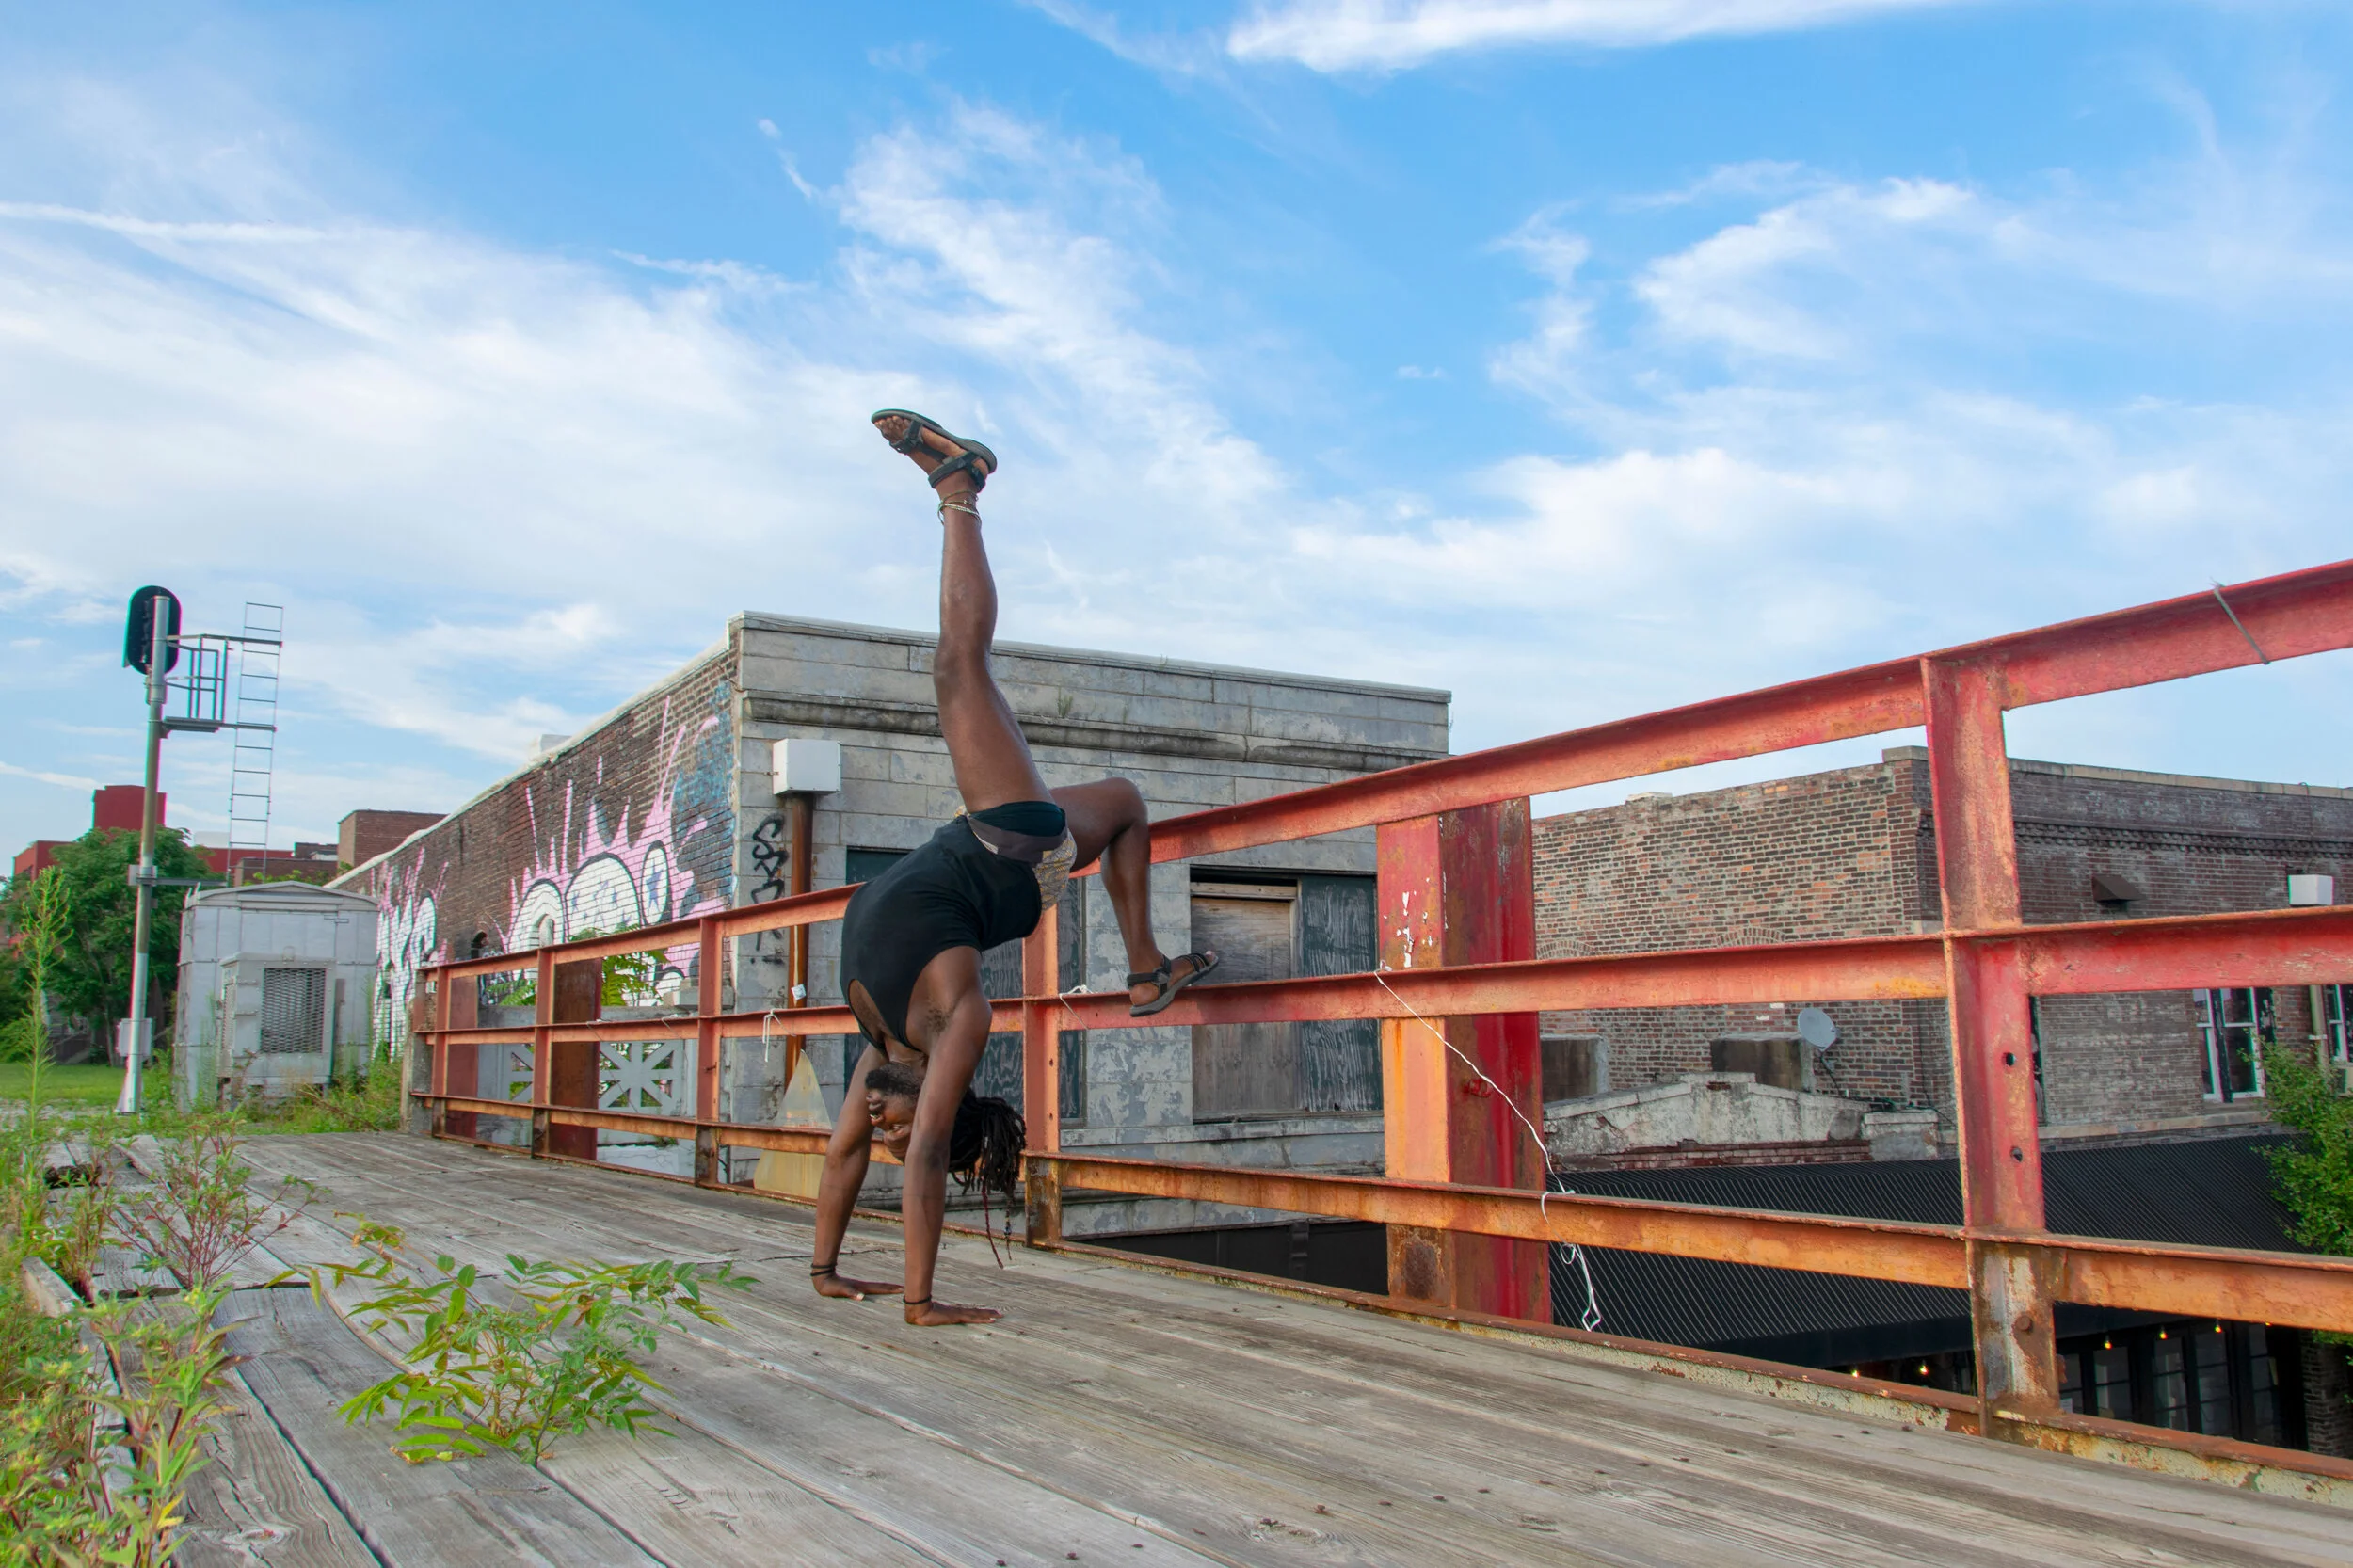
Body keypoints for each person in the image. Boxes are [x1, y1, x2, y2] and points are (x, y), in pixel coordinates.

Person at [809, 410, 1220, 1327]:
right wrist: (920, 1301)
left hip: (1013, 849)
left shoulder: (882, 1051)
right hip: (1009, 839)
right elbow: (920, 1161)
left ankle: (1146, 964)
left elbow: (842, 1157)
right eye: (897, 1122)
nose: (877, 1126)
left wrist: (825, 1271)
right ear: (936, 1104)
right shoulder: (957, 1019)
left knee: (1120, 799)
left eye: (876, 1120)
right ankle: (960, 486)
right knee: (958, 668)